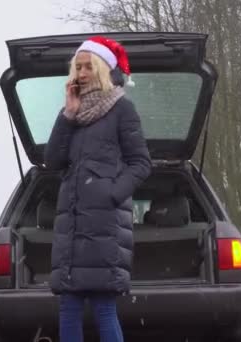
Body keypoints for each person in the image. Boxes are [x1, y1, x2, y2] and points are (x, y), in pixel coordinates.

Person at [44, 36, 152, 342]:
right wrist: (68, 113)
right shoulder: (71, 115)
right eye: (77, 67)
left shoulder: (122, 109)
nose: (81, 73)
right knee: (69, 304)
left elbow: (141, 163)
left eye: (88, 66)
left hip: (104, 225)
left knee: (104, 306)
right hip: (71, 226)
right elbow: (52, 161)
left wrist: (111, 194)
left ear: (103, 68)